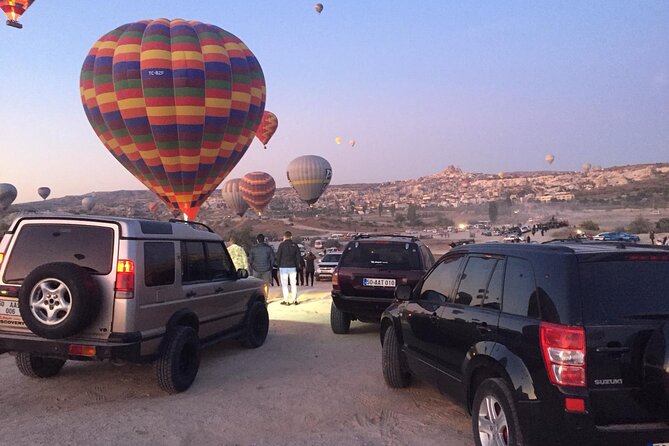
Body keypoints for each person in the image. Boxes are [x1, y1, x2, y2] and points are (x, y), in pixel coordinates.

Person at [276, 231, 301, 305]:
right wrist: (297, 266)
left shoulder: (281, 245)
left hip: (283, 267)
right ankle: (295, 300)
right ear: (291, 237)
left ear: (284, 237)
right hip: (292, 266)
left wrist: (278, 266)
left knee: (284, 284)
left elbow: (278, 256)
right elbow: (298, 257)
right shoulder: (295, 245)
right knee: (293, 284)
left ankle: (286, 300)